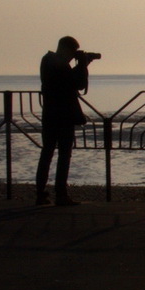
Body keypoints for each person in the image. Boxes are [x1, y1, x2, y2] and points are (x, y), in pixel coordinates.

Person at [35, 36, 96, 206]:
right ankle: (60, 194)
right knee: (62, 155)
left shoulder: (48, 61)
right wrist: (82, 66)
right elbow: (77, 84)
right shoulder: (55, 63)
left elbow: (68, 80)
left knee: (47, 153)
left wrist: (81, 64)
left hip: (50, 114)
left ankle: (41, 194)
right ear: (65, 49)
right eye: (72, 52)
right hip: (62, 115)